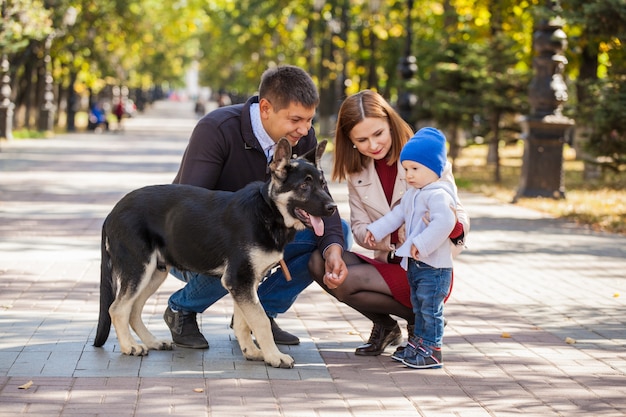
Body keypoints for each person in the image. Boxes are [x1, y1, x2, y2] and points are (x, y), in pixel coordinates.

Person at [163, 65, 350, 349]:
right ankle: (182, 309)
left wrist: (334, 245)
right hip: (194, 243)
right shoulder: (216, 129)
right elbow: (190, 206)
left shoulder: (302, 138)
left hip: (264, 236)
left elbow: (320, 199)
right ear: (265, 109)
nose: (304, 129)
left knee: (332, 234)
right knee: (239, 252)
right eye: (296, 119)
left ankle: (262, 312)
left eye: (309, 120)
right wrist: (254, 227)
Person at [309, 90, 468, 357]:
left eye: (378, 133)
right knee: (319, 262)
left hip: (426, 268)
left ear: (390, 123)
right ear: (350, 141)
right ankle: (386, 326)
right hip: (387, 262)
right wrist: (387, 237)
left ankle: (424, 319)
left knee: (350, 279)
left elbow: (457, 215)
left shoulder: (424, 158)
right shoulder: (356, 172)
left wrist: (450, 227)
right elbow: (359, 229)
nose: (372, 144)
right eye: (362, 139)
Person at [365, 127, 457, 369]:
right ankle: (419, 343)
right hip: (417, 265)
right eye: (406, 169)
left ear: (434, 168)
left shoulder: (438, 194)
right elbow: (397, 215)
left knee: (430, 309)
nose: (408, 175)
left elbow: (446, 222)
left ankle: (433, 349)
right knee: (419, 306)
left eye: (415, 169)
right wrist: (375, 230)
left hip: (435, 267)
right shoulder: (414, 194)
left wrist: (420, 243)